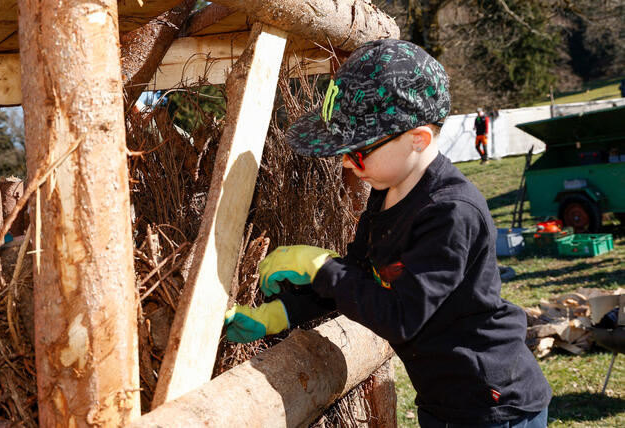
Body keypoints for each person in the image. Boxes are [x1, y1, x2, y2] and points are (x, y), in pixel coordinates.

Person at [224, 39, 551, 427]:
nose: (346, 160)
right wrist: (283, 313)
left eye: (358, 150)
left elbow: (401, 317)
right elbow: (360, 277)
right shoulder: (386, 192)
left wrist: (323, 267)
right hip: (443, 400)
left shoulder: (449, 213)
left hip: (491, 406)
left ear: (418, 140)